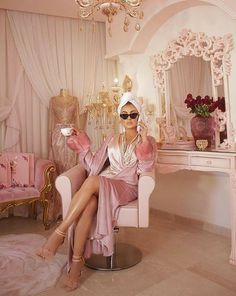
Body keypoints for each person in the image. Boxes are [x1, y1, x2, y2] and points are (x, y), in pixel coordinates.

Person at [37, 92, 156, 291]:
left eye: (133, 114)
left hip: (126, 187)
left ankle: (58, 235)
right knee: (90, 204)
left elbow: (145, 169)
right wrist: (80, 141)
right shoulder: (112, 138)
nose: (129, 119)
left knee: (92, 181)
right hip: (105, 182)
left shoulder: (147, 141)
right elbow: (94, 163)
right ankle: (76, 264)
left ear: (139, 115)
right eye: (124, 115)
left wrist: (143, 141)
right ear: (119, 117)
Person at [48, 88, 79, 175]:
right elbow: (51, 119)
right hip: (58, 133)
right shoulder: (53, 100)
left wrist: (79, 134)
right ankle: (59, 182)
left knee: (71, 158)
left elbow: (77, 119)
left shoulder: (74, 100)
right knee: (58, 158)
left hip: (71, 133)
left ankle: (71, 181)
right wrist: (49, 137)